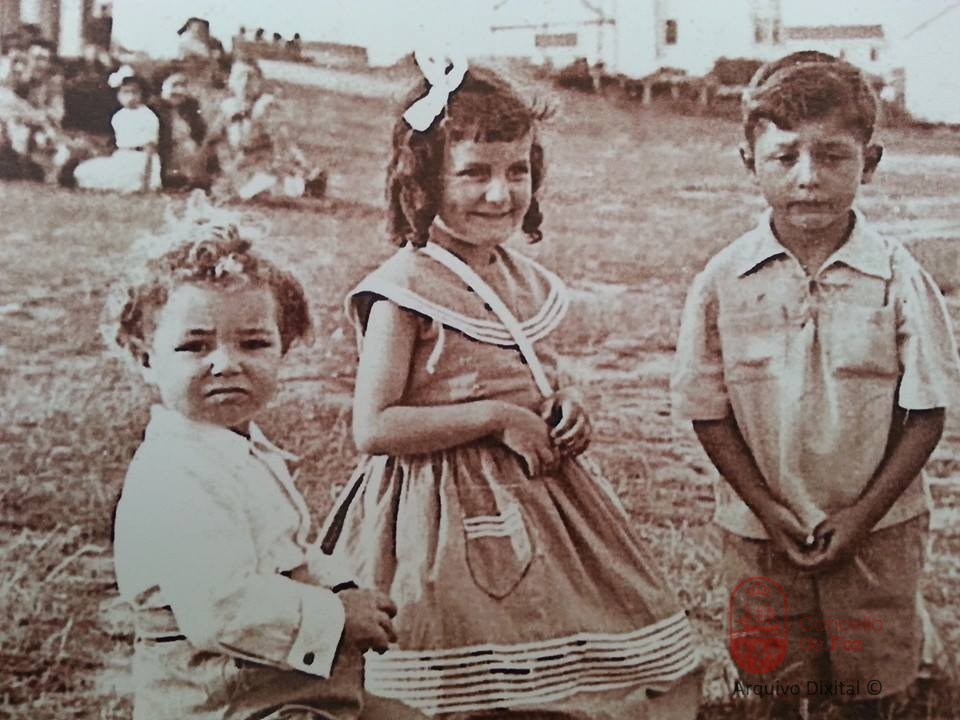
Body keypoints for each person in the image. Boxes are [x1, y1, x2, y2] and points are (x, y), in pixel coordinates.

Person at [320, 64, 702, 719]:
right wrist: (495, 418)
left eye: (517, 171)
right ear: (423, 182)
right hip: (437, 514)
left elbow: (529, 372)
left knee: (577, 640)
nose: (500, 193)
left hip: (544, 500)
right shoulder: (403, 290)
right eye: (474, 173)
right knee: (453, 669)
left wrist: (562, 403)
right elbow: (374, 427)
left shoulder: (519, 277)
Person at [671, 51, 960, 719]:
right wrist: (764, 508)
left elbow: (927, 412)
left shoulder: (898, 278)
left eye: (832, 156)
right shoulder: (722, 281)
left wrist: (862, 517)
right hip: (759, 528)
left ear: (870, 162)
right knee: (772, 681)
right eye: (784, 157)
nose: (808, 178)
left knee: (870, 685)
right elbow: (707, 411)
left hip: (877, 528)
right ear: (749, 161)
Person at [104, 195, 428, 720]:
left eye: (254, 344)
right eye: (194, 347)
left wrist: (341, 585)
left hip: (273, 680)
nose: (225, 364)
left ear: (284, 349)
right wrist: (336, 614)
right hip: (223, 697)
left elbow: (284, 550)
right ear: (146, 358)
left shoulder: (236, 448)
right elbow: (221, 607)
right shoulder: (175, 477)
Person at [207, 58, 324, 201]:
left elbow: (283, 144)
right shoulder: (228, 106)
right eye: (240, 78)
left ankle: (303, 181)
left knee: (264, 186)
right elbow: (212, 140)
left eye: (250, 77)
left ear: (259, 82)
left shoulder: (266, 106)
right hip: (240, 165)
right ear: (231, 82)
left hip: (265, 163)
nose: (245, 83)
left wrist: (298, 164)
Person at [74, 67, 161, 193]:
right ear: (118, 95)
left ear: (141, 94)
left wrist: (145, 182)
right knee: (83, 171)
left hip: (141, 160)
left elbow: (150, 149)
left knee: (126, 181)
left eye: (135, 92)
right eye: (125, 92)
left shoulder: (148, 116)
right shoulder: (118, 116)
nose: (131, 97)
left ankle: (135, 185)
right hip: (123, 158)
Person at [154, 69, 211, 190]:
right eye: (175, 85)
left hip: (188, 155)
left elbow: (200, 134)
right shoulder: (154, 108)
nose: (179, 90)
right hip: (166, 155)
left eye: (183, 85)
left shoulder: (191, 106)